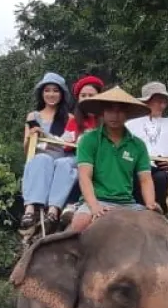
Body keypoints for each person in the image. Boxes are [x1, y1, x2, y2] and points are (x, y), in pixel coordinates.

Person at [69, 87, 159, 233]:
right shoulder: (88, 140)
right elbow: (85, 176)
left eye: (120, 111)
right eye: (110, 110)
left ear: (127, 113)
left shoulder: (138, 145)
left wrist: (150, 204)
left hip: (128, 204)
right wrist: (94, 206)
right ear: (103, 112)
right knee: (79, 225)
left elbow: (145, 180)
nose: (115, 116)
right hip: (97, 200)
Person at [19, 72, 77, 228]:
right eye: (47, 90)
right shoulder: (33, 116)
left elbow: (69, 144)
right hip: (40, 159)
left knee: (64, 164)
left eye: (55, 91)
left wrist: (47, 136)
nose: (51, 94)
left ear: (62, 94)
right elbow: (27, 149)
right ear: (42, 93)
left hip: (61, 157)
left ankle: (53, 210)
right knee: (42, 159)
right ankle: (30, 209)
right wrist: (31, 136)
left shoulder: (70, 118)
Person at [125, 81, 168, 209]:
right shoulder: (130, 125)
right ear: (147, 101)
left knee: (160, 178)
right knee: (137, 177)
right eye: (158, 101)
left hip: (162, 170)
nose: (162, 105)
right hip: (137, 169)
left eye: (164, 101)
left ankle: (154, 209)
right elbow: (124, 150)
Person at [63, 75, 105, 139]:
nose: (86, 99)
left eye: (91, 95)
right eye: (83, 96)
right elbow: (64, 143)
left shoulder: (107, 121)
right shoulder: (73, 122)